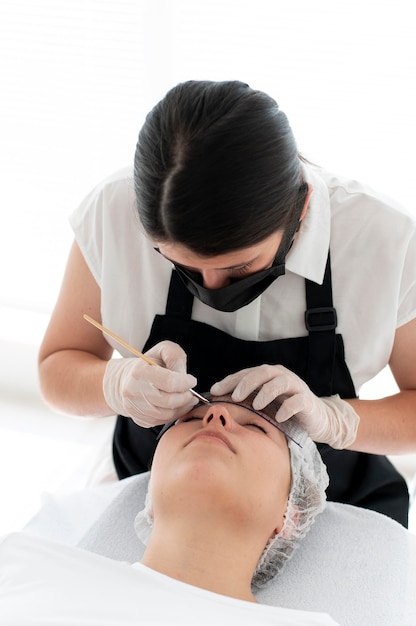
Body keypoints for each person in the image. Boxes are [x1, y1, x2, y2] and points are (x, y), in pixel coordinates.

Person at [38, 80, 416, 526]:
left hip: (340, 499)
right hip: (154, 478)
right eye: (183, 268)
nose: (214, 290)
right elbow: (57, 367)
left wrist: (336, 419)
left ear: (302, 206)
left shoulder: (384, 241)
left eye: (239, 268)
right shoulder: (113, 210)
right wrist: (116, 384)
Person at [0, 397, 339, 625]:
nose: (214, 415)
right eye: (189, 418)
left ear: (291, 515)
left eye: (255, 426)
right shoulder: (23, 561)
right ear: (148, 500)